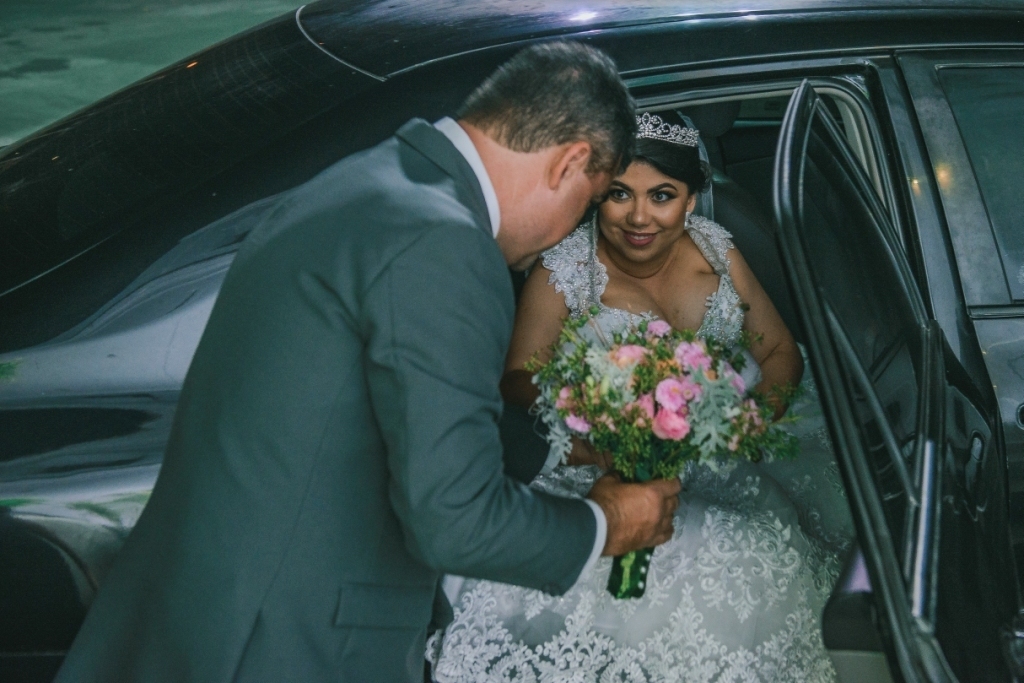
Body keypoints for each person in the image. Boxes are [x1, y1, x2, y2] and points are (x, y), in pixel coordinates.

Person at [53, 44, 684, 683]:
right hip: (284, 647)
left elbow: (379, 400)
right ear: (571, 161)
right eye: (588, 203)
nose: (566, 232)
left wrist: (556, 450)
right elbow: (455, 523)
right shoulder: (447, 246)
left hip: (204, 619)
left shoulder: (361, 183)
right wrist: (607, 524)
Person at [428, 113, 856, 681]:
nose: (638, 217)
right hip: (605, 460)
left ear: (691, 199)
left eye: (661, 196)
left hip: (726, 444)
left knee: (775, 544)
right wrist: (601, 418)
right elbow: (516, 382)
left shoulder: (718, 251)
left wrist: (749, 419)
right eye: (618, 195)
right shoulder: (563, 271)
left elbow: (779, 351)